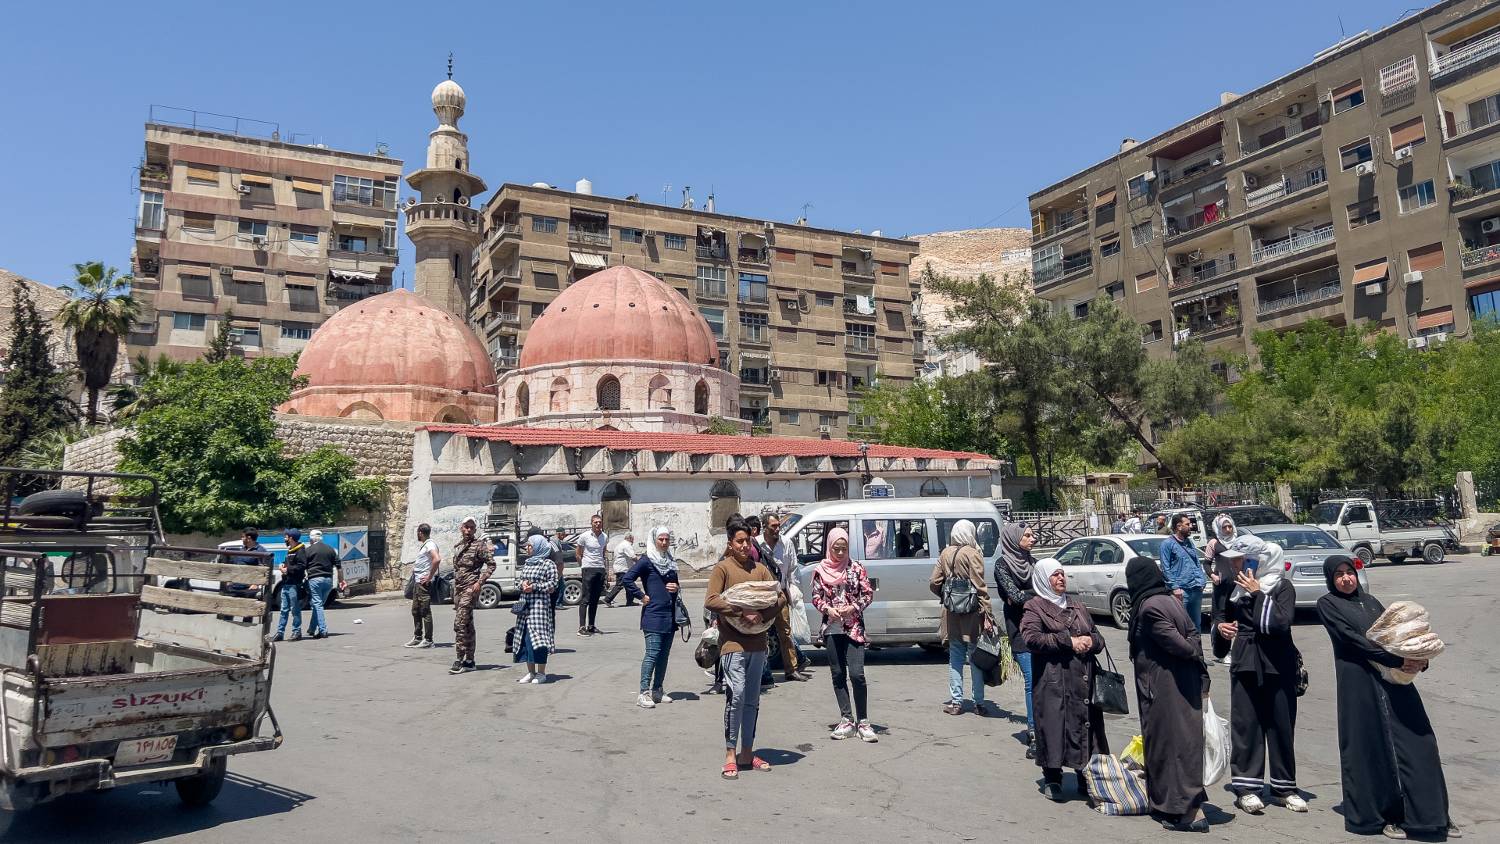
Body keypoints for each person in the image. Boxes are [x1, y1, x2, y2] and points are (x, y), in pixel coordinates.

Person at [1318, 555, 1459, 840]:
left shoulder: (1371, 602)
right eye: (1339, 575)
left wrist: (1418, 658)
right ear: (1331, 579)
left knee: (1420, 742)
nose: (1346, 578)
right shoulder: (1328, 604)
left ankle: (1432, 815)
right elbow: (1351, 640)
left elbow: (1398, 634)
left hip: (1395, 680)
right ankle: (1383, 816)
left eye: (1350, 572)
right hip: (1360, 683)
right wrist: (1395, 659)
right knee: (1374, 749)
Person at [1221, 543, 1305, 815]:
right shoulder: (1234, 589)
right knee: (1246, 725)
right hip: (1245, 661)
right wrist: (1221, 629)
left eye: (1243, 560)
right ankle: (1247, 788)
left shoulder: (1282, 588)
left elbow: (1279, 623)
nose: (1237, 566)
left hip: (1277, 663)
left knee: (1281, 725)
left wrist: (1257, 593)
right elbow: (1221, 620)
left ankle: (1284, 788)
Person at [1126, 556, 1209, 833]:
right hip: (1180, 684)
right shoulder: (1169, 599)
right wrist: (1192, 645)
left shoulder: (1149, 607)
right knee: (1184, 743)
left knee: (1168, 746)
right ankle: (1186, 805)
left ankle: (1180, 811)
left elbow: (1182, 645)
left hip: (1164, 688)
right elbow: (1193, 633)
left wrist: (1190, 648)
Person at [1021, 558, 1107, 802]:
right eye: (1055, 575)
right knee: (1054, 725)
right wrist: (1068, 641)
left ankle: (1084, 774)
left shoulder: (1076, 604)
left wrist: (1092, 642)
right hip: (1053, 679)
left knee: (1084, 725)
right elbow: (1031, 638)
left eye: (1062, 574)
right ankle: (1053, 777)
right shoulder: (1034, 607)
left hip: (1082, 678)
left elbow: (1097, 636)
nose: (1061, 578)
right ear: (1043, 579)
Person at [704, 518, 784, 779]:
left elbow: (780, 596)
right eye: (739, 541)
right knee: (736, 696)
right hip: (732, 644)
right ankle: (730, 754)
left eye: (747, 540)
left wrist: (761, 616)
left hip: (758, 644)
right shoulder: (723, 569)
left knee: (752, 700)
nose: (744, 545)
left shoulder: (760, 570)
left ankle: (747, 752)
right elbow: (712, 600)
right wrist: (740, 611)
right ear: (730, 543)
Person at [810, 527, 877, 742]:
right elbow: (816, 597)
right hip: (831, 629)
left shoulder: (856, 568)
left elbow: (867, 594)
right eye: (836, 549)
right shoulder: (821, 570)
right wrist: (827, 609)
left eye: (844, 549)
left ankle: (863, 721)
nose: (840, 553)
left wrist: (853, 608)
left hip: (853, 629)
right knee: (837, 674)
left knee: (857, 674)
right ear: (829, 548)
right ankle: (847, 719)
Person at [930, 519, 995, 716]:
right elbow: (980, 587)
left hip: (951, 614)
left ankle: (956, 702)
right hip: (972, 615)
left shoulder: (945, 553)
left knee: (955, 658)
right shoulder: (973, 553)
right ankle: (979, 703)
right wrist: (988, 615)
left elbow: (934, 582)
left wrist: (947, 595)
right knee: (975, 658)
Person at [622, 526, 680, 707]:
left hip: (669, 616)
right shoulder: (647, 560)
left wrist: (676, 588)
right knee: (652, 654)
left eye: (666, 540)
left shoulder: (670, 560)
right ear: (654, 540)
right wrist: (641, 596)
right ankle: (643, 693)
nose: (664, 543)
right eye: (660, 540)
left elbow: (675, 583)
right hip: (653, 616)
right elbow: (627, 579)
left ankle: (657, 690)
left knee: (664, 655)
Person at [996, 522, 1038, 751]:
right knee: (1032, 680)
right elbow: (1014, 596)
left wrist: (1027, 595)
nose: (1033, 539)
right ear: (1014, 539)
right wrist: (1034, 594)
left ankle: (1046, 724)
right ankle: (1034, 730)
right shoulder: (1002, 565)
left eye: (1033, 535)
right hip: (1019, 631)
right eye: (1028, 535)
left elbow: (1047, 592)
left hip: (1042, 630)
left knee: (1045, 680)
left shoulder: (1036, 564)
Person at [759, 513, 810, 682]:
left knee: (786, 633)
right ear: (765, 527)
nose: (777, 529)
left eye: (778, 525)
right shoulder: (757, 544)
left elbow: (793, 571)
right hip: (762, 596)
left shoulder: (786, 543)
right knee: (761, 635)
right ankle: (762, 672)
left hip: (780, 595)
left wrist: (793, 594)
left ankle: (792, 669)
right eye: (773, 526)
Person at [449, 517, 495, 674]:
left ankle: (459, 659)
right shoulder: (458, 546)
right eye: (466, 527)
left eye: (471, 527)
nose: (468, 530)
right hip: (459, 589)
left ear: (475, 530)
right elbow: (457, 567)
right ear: (461, 528)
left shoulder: (479, 546)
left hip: (470, 588)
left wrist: (479, 582)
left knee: (459, 623)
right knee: (467, 624)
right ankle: (470, 660)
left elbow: (491, 564)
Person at [514, 534, 559, 683]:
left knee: (539, 641)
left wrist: (534, 587)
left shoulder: (548, 564)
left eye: (530, 545)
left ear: (538, 547)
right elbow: (518, 582)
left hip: (539, 608)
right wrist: (523, 585)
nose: (527, 548)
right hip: (525, 607)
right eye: (527, 545)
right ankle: (531, 672)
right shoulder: (527, 563)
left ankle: (541, 673)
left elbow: (553, 584)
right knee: (526, 639)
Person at [1161, 514, 1207, 633]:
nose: (1190, 526)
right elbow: (1166, 568)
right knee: (1181, 625)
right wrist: (1175, 588)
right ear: (1179, 526)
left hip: (1196, 588)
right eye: (1187, 524)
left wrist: (1202, 581)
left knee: (1196, 625)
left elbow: (1196, 562)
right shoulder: (1167, 544)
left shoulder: (1189, 542)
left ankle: (1197, 650)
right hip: (1181, 591)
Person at [1204, 514, 1238, 664]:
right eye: (1224, 527)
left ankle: (1239, 650)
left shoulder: (1238, 541)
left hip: (1238, 586)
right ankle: (1223, 651)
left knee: (1236, 617)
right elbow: (1206, 564)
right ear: (1219, 528)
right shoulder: (1213, 543)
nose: (1228, 529)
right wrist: (1213, 575)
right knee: (1221, 619)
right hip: (1221, 589)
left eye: (1230, 526)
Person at [405, 523, 440, 648]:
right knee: (416, 610)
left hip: (424, 583)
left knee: (425, 610)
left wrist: (429, 576)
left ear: (420, 532)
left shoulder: (430, 544)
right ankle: (417, 636)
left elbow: (437, 559)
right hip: (418, 582)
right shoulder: (426, 545)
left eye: (417, 533)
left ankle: (428, 640)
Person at [302, 529, 342, 640]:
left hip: (315, 580)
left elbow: (303, 566)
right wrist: (341, 581)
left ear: (311, 539)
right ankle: (311, 628)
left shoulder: (308, 550)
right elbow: (339, 567)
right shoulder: (330, 549)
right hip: (328, 580)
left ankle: (323, 630)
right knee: (318, 605)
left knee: (317, 605)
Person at [576, 514, 609, 635]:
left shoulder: (604, 536)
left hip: (600, 568)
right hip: (588, 568)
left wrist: (606, 570)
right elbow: (578, 553)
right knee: (586, 598)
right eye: (595, 522)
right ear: (591, 523)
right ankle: (581, 627)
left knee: (595, 599)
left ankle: (591, 625)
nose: (598, 524)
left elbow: (603, 553)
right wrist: (583, 566)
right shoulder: (584, 536)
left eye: (599, 522)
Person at [272, 529, 307, 642]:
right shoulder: (290, 550)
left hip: (294, 584)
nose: (284, 539)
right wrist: (283, 564)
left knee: (295, 609)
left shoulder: (300, 550)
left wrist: (287, 569)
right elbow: (290, 563)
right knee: (283, 610)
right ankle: (280, 632)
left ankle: (296, 631)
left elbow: (301, 566)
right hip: (286, 584)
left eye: (286, 536)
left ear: (291, 538)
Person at [220, 528, 269, 598]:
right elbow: (235, 565)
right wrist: (230, 580)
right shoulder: (242, 549)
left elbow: (264, 570)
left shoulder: (261, 551)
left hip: (248, 589)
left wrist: (256, 584)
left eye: (243, 537)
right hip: (235, 586)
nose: (241, 538)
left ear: (249, 538)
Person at [603, 532, 642, 607]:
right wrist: (640, 562)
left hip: (620, 568)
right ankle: (608, 599)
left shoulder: (620, 545)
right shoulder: (627, 545)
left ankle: (630, 601)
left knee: (628, 584)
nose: (633, 541)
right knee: (620, 585)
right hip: (623, 569)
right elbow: (633, 556)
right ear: (630, 538)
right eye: (633, 539)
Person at [549, 527, 569, 611]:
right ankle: (557, 603)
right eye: (563, 534)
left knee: (560, 585)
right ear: (559, 533)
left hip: (556, 566)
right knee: (561, 585)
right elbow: (557, 555)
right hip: (556, 567)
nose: (564, 536)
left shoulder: (556, 541)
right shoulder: (554, 541)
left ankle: (557, 602)